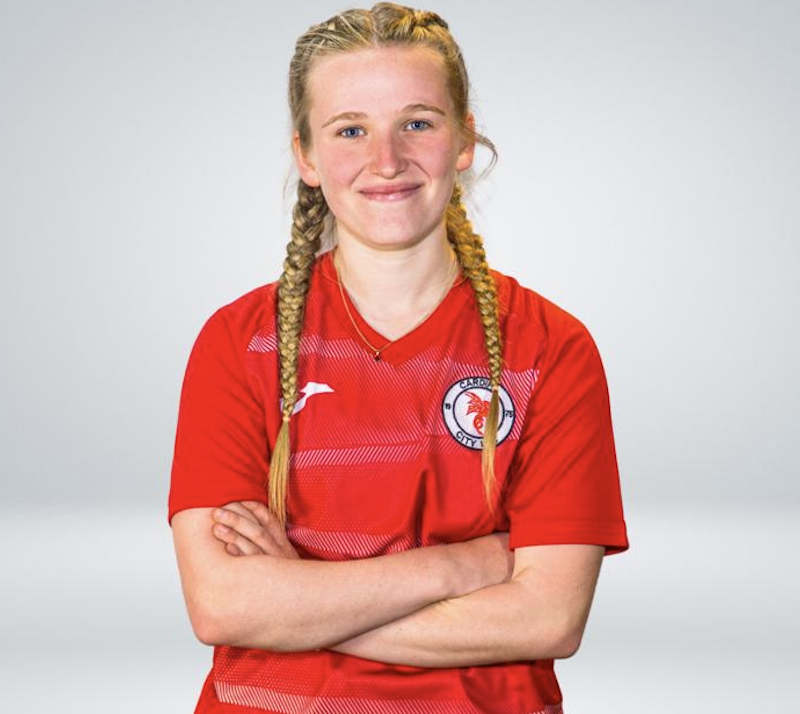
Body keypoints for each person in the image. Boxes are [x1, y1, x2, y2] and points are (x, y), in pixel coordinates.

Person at [168, 4, 629, 713]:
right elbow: (223, 605)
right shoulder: (238, 342)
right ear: (307, 157)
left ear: (464, 139)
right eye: (350, 130)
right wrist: (464, 565)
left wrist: (299, 602)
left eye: (418, 123)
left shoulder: (552, 347)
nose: (386, 160)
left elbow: (550, 618)